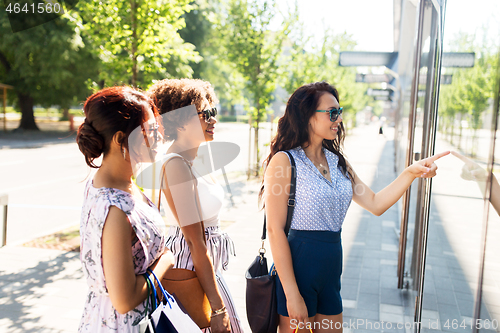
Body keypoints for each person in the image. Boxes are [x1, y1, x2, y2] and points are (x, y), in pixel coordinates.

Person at [260, 82, 449, 333]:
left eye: (339, 111)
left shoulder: (338, 163)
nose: (338, 119)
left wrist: (410, 173)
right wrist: (292, 293)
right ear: (307, 116)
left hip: (331, 271)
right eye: (332, 112)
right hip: (299, 269)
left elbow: (375, 203)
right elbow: (275, 230)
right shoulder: (285, 161)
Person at [147, 79, 243, 333]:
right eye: (205, 114)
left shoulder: (195, 158)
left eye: (214, 112)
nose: (213, 120)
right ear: (179, 121)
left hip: (207, 265)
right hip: (192, 265)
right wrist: (218, 307)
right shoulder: (177, 165)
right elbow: (195, 242)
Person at [76, 86, 174, 332]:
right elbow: (124, 300)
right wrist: (165, 261)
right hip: (125, 324)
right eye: (149, 131)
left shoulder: (112, 182)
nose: (158, 137)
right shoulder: (115, 209)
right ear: (121, 139)